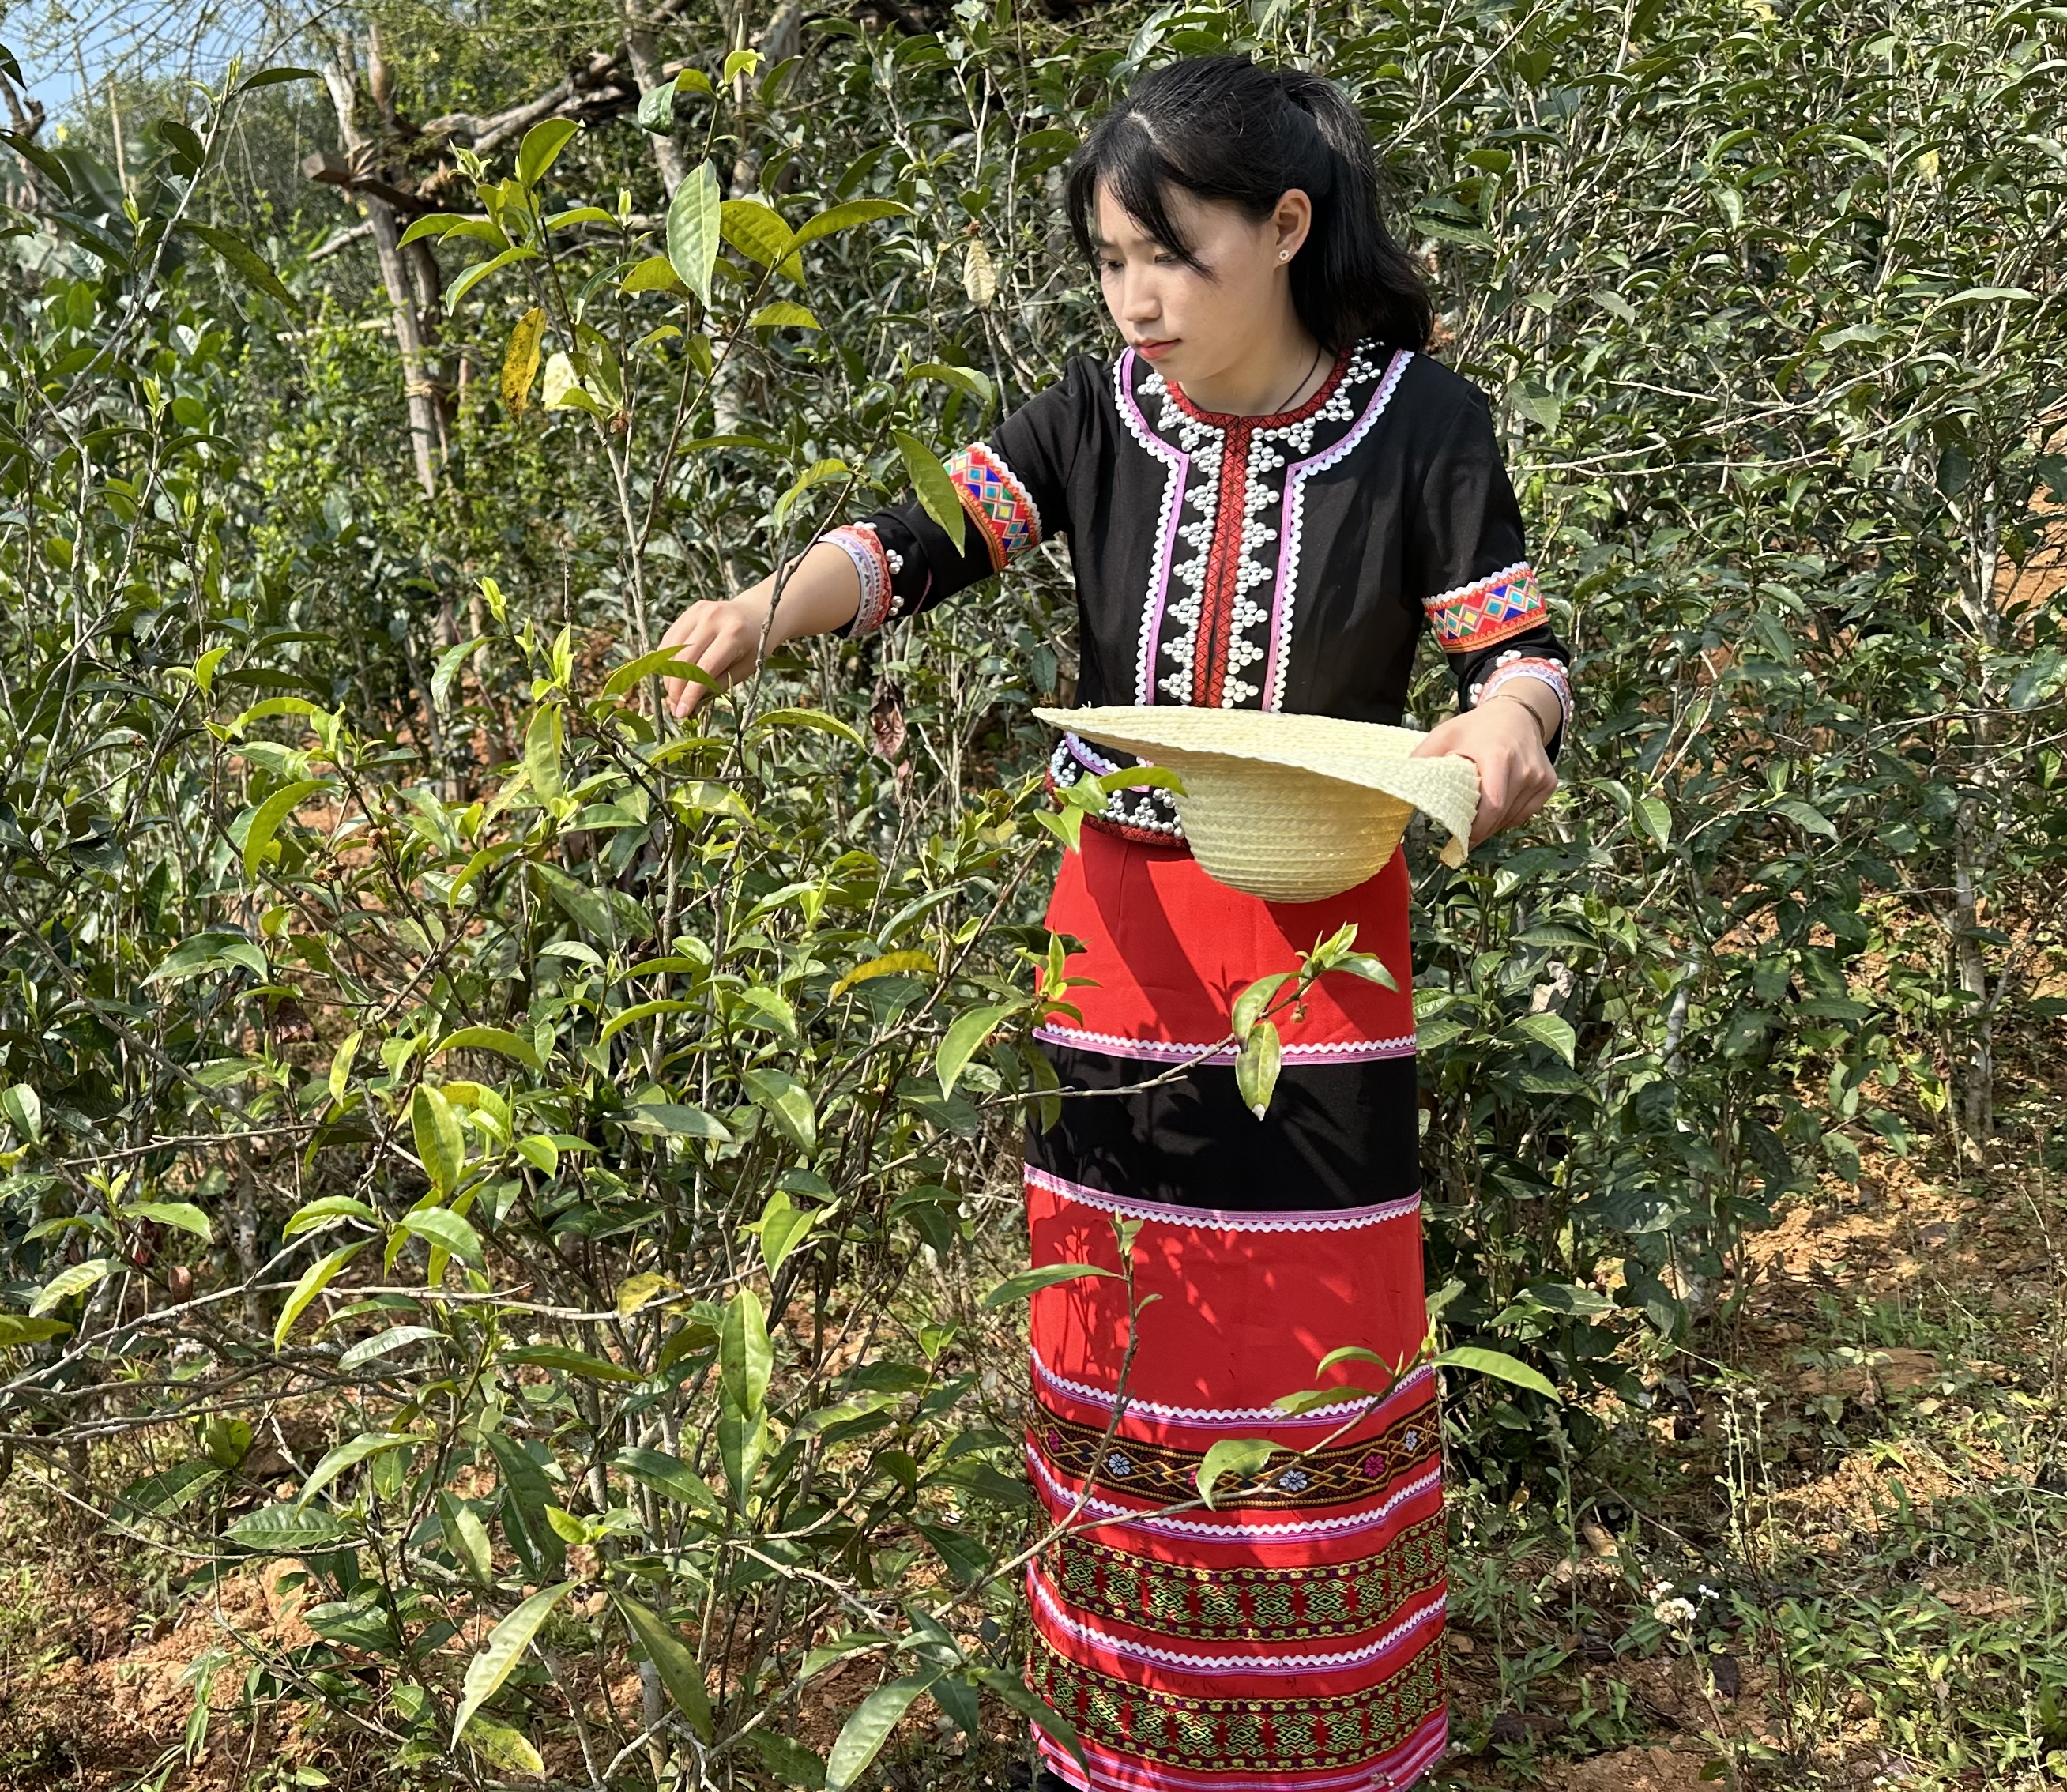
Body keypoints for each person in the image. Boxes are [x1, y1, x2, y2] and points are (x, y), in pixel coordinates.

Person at [642, 54, 1572, 1792]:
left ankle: (1321, 1742)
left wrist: (1505, 729)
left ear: (1288, 230)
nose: (1136, 300)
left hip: (1321, 945)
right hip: (1118, 944)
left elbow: (1511, 649)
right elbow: (916, 541)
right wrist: (761, 614)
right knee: (1118, 1312)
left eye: (1174, 254)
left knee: (1308, 1331)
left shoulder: (1424, 426)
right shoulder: (1091, 414)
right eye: (1107, 261)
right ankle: (1127, 1735)